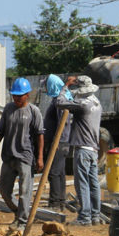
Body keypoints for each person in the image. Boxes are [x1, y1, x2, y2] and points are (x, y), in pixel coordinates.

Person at [0, 78, 44, 231]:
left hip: (25, 157)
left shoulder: (34, 111)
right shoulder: (8, 109)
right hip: (8, 156)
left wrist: (39, 158)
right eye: (14, 96)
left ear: (28, 95)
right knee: (4, 191)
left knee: (25, 192)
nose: (17, 99)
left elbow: (40, 135)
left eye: (20, 96)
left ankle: (22, 222)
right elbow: (0, 131)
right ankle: (18, 213)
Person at [52, 75, 103, 226]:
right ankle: (96, 216)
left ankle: (84, 217)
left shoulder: (82, 104)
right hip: (94, 149)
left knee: (82, 183)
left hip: (83, 149)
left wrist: (65, 86)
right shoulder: (96, 103)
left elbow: (59, 103)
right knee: (93, 183)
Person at [43, 74, 74, 212]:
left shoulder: (59, 102)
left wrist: (56, 141)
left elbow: (63, 122)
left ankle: (55, 204)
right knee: (60, 172)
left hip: (59, 142)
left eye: (46, 84)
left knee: (54, 173)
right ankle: (60, 201)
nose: (45, 87)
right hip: (61, 142)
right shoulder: (60, 99)